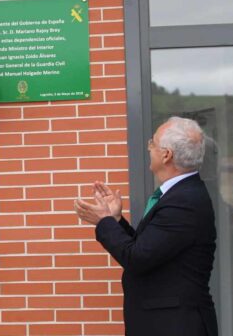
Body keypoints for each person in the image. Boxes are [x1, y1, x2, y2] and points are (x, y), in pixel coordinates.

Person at [74, 116, 218, 336]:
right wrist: (116, 220)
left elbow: (137, 258)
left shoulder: (184, 200)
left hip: (174, 326)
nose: (149, 147)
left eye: (153, 143)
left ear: (166, 154)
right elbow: (149, 249)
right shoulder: (180, 194)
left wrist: (104, 221)